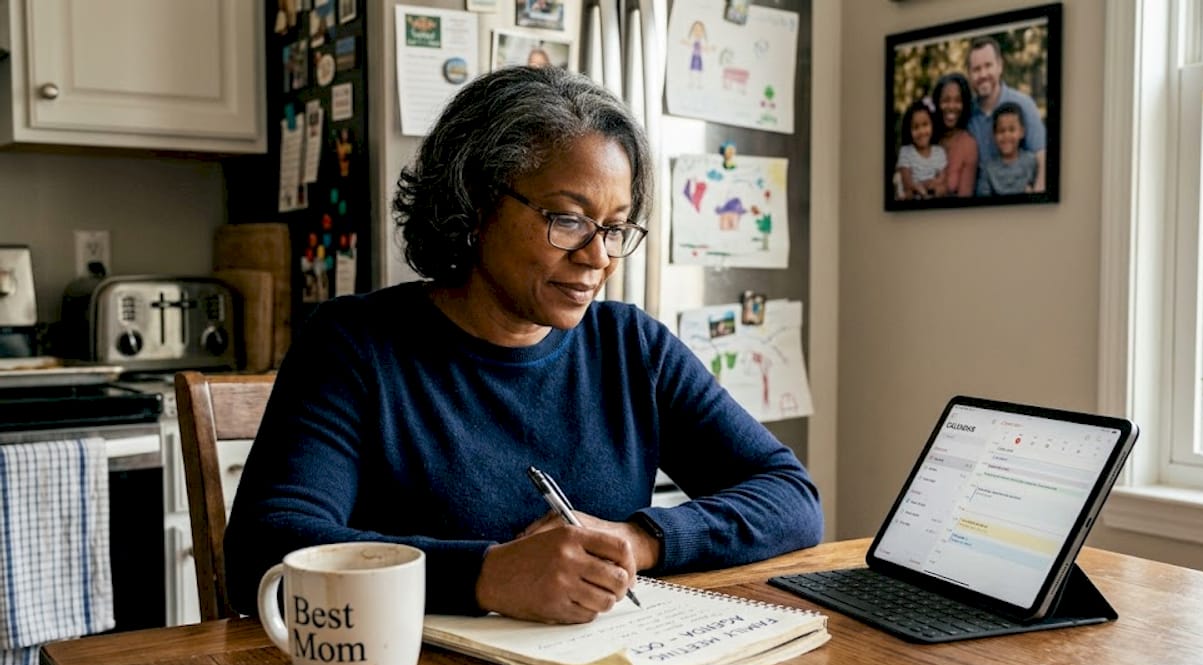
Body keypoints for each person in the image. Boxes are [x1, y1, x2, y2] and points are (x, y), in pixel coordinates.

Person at [223, 66, 823, 625]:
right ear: (475, 206)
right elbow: (268, 545)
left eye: (615, 228)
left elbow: (792, 497)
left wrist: (638, 540)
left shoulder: (631, 346)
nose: (599, 258)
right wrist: (485, 574)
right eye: (568, 220)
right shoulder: (354, 345)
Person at [965, 36, 1046, 192]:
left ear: (1000, 66)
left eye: (988, 66)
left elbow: (1042, 155)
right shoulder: (967, 114)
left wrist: (1037, 196)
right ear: (969, 74)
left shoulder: (1023, 104)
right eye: (976, 69)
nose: (983, 74)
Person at [930, 73, 978, 197]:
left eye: (958, 100)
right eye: (946, 100)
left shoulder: (968, 145)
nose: (951, 106)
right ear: (937, 103)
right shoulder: (927, 136)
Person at [976, 102, 1039, 196]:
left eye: (1012, 130)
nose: (1006, 135)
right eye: (1001, 131)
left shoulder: (1031, 162)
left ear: (1021, 132)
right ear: (994, 135)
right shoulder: (988, 169)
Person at [895, 98, 947, 200]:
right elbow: (908, 185)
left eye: (925, 124)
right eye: (916, 127)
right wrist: (926, 185)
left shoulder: (939, 152)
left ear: (932, 125)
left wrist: (932, 186)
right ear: (909, 130)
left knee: (942, 189)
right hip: (913, 199)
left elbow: (942, 179)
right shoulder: (906, 152)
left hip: (933, 196)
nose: (921, 131)